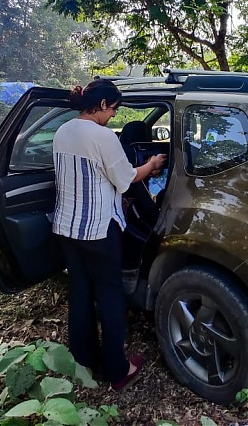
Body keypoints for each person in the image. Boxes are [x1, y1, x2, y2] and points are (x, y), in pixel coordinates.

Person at [50, 79, 166, 391]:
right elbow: (126, 180)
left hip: (66, 227)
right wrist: (152, 165)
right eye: (113, 109)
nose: (114, 115)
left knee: (81, 293)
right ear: (102, 105)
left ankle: (84, 359)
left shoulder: (63, 131)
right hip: (99, 231)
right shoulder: (102, 136)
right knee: (111, 298)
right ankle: (117, 370)